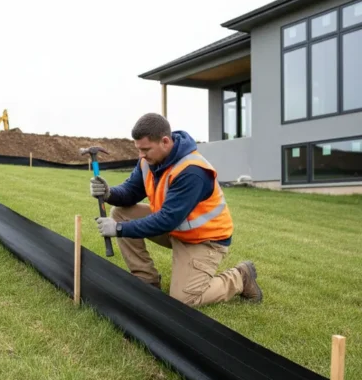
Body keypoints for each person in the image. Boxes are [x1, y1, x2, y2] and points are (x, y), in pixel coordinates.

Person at [91, 113, 262, 308]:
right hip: (177, 230)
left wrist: (119, 229)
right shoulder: (148, 161)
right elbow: (131, 192)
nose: (141, 156)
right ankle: (146, 281)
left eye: (145, 149)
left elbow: (167, 220)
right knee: (120, 213)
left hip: (204, 240)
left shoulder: (192, 171)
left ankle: (240, 276)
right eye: (138, 149)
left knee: (185, 300)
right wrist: (109, 193)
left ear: (165, 141)